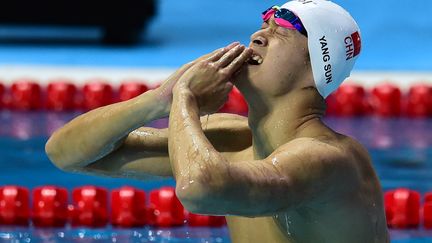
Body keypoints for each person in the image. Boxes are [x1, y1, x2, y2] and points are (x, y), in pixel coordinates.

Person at [46, 0, 389, 242]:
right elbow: (65, 153)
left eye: (280, 31)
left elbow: (200, 190)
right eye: (263, 25)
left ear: (316, 68)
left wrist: (185, 98)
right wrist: (157, 100)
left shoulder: (329, 160)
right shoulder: (230, 139)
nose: (257, 36)